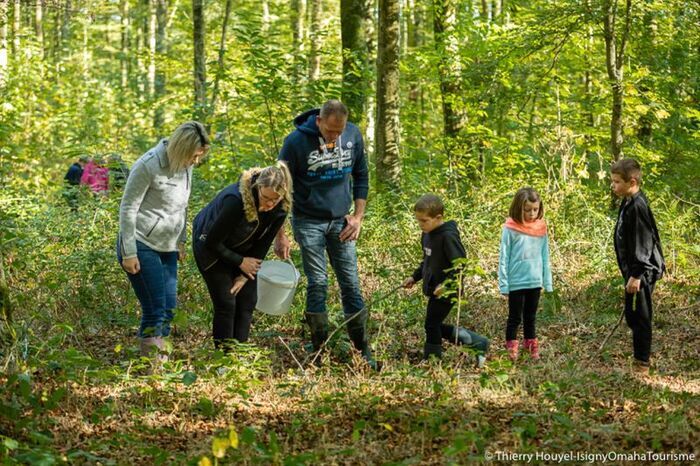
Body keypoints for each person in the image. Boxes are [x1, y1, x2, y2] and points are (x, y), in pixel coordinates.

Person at [275, 100, 375, 368]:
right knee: (318, 282)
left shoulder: (352, 134)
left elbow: (361, 176)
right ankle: (320, 350)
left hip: (342, 222)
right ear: (319, 121)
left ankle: (362, 350)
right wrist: (280, 234)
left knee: (351, 283)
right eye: (331, 131)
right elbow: (280, 188)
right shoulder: (295, 142)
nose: (335, 136)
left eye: (339, 131)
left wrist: (358, 218)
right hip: (308, 222)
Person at [117, 121, 210, 363]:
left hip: (167, 246)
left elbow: (182, 205)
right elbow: (128, 208)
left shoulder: (186, 165)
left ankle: (163, 366)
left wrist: (180, 240)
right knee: (155, 310)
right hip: (140, 243)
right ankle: (152, 371)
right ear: (182, 148)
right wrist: (128, 252)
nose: (196, 162)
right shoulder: (148, 165)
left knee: (169, 310)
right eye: (194, 156)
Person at [192, 162, 292, 351]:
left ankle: (239, 356)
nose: (269, 204)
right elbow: (212, 242)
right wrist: (240, 262)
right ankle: (224, 358)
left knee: (247, 301)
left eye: (275, 199)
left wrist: (245, 274)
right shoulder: (236, 201)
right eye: (265, 197)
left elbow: (262, 244)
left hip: (243, 250)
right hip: (209, 246)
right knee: (227, 301)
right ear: (258, 187)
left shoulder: (280, 209)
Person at [402, 194, 489, 367]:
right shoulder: (427, 235)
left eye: (424, 221)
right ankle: (477, 342)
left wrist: (447, 284)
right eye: (418, 220)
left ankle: (432, 361)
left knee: (431, 325)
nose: (420, 225)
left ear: (439, 217)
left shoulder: (448, 236)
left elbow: (460, 264)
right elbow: (426, 262)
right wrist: (414, 277)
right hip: (434, 288)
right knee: (433, 325)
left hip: (449, 289)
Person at [611, 158, 665, 375]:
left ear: (631, 181)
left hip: (642, 271)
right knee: (632, 314)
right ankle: (639, 358)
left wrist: (636, 275)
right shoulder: (628, 201)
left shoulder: (638, 205)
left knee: (641, 316)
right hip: (633, 271)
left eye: (616, 182)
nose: (613, 186)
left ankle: (642, 363)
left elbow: (644, 242)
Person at [498, 187, 553, 361]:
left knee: (531, 317)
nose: (531, 214)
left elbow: (545, 256)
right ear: (518, 208)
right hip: (516, 281)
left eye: (535, 210)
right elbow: (503, 256)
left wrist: (547, 281)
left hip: (534, 281)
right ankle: (511, 349)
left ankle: (531, 348)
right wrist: (504, 283)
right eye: (527, 210)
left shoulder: (541, 228)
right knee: (514, 317)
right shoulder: (510, 228)